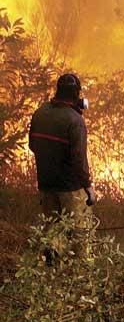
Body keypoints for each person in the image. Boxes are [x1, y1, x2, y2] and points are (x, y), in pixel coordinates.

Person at [28, 73, 94, 260]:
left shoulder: (40, 112)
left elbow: (33, 145)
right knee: (79, 231)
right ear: (76, 94)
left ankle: (52, 257)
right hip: (70, 187)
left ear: (58, 90)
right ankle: (83, 273)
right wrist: (88, 187)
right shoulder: (75, 121)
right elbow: (79, 159)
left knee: (53, 226)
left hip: (46, 183)